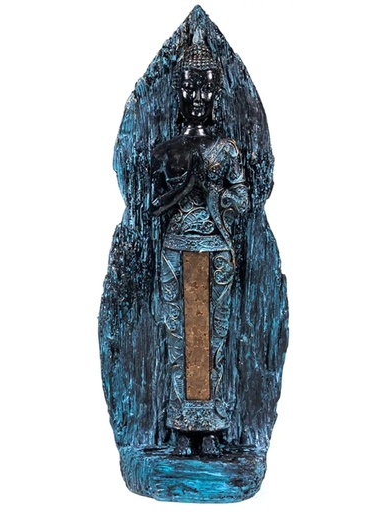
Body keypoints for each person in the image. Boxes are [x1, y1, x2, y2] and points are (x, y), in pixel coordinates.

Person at [151, 33, 249, 455]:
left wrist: (214, 195)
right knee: (178, 333)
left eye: (204, 89)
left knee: (213, 337)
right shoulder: (167, 150)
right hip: (176, 248)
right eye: (189, 88)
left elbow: (242, 199)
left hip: (215, 249)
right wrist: (184, 187)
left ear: (215, 93)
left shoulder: (225, 149)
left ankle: (210, 427)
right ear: (179, 91)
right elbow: (152, 206)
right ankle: (179, 424)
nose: (196, 98)